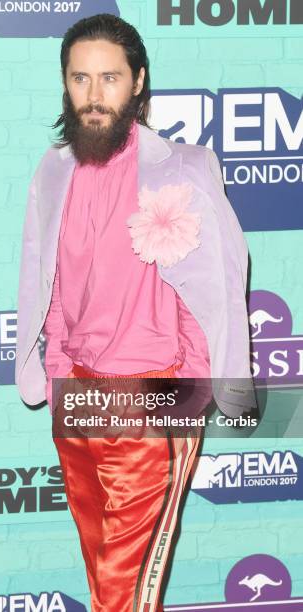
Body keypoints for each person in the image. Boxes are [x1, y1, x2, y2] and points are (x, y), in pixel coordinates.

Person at [15, 13, 257, 612]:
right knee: (102, 576)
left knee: (125, 590)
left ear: (139, 82)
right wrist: (58, 375)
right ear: (65, 84)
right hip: (78, 396)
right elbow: (47, 280)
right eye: (80, 79)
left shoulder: (184, 169)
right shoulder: (54, 170)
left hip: (152, 400)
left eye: (110, 78)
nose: (94, 96)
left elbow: (221, 286)